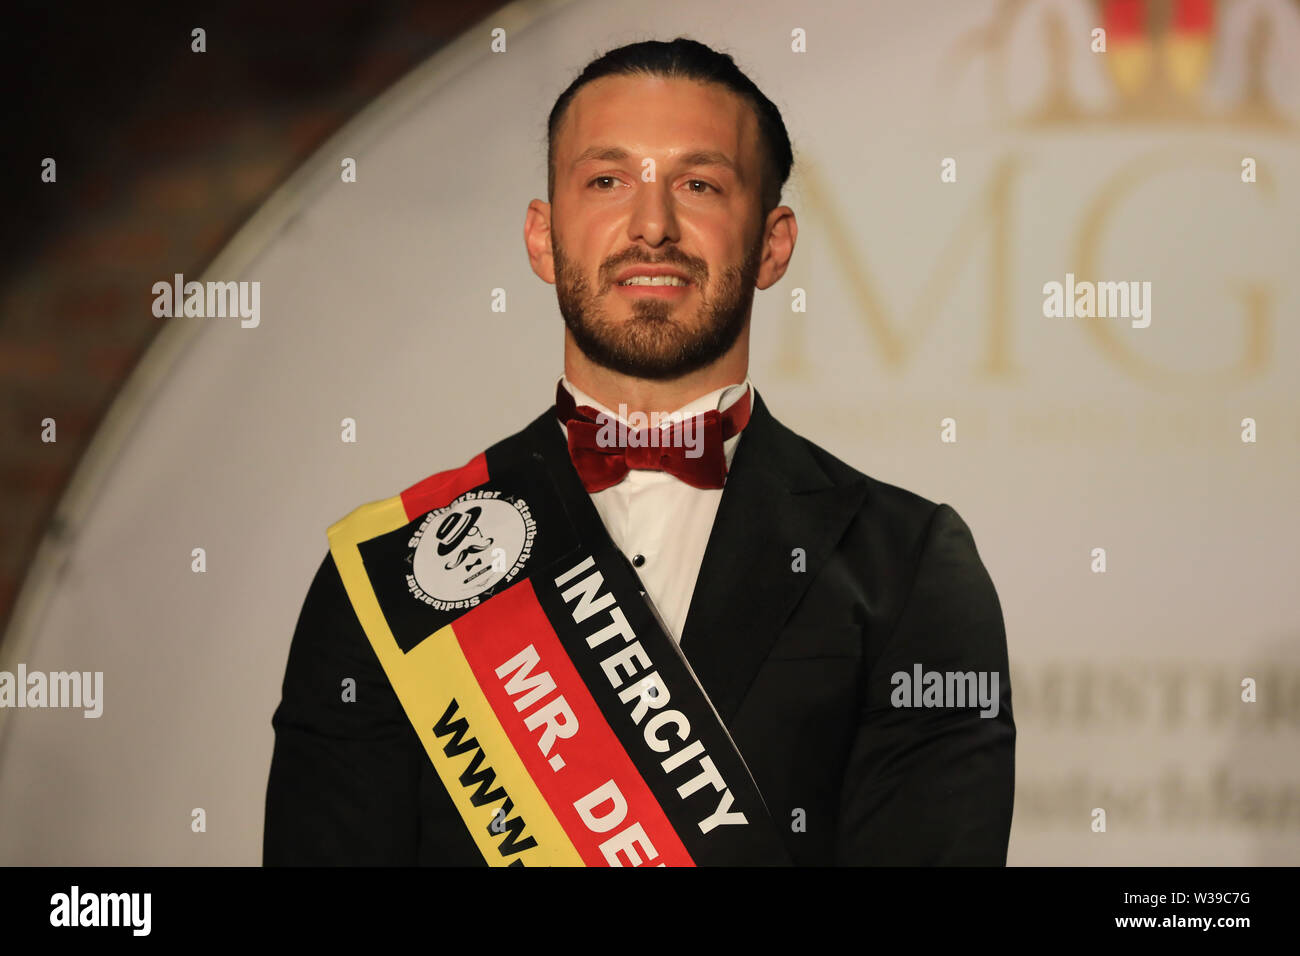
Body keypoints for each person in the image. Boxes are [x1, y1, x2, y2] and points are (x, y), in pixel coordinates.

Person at [264, 36, 1015, 866]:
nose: (651, 226)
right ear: (543, 238)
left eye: (699, 184)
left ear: (772, 245)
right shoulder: (391, 572)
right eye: (607, 181)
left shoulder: (906, 568)